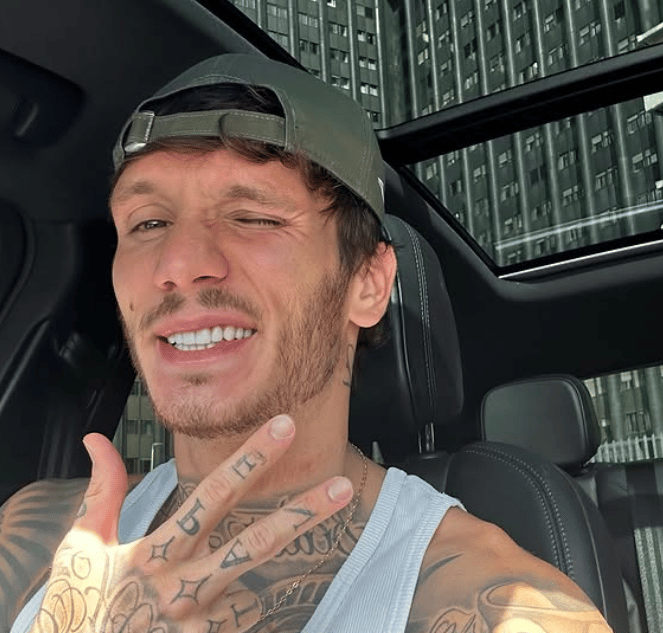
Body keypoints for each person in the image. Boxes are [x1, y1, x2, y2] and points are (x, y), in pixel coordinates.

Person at [2, 54, 612, 633]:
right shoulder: (36, 531)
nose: (177, 264)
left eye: (254, 217)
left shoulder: (499, 605)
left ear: (367, 282)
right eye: (149, 223)